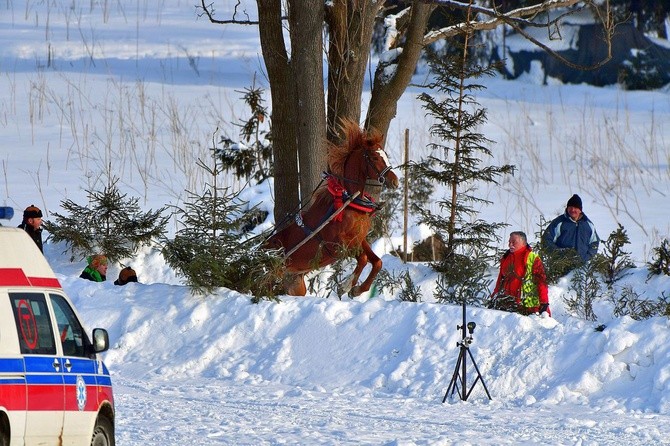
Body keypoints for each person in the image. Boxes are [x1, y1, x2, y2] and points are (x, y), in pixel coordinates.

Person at [492, 231, 550, 316]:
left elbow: (541, 282)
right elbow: (500, 279)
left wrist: (544, 303)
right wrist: (494, 295)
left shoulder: (532, 258)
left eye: (514, 242)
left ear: (523, 243)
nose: (510, 245)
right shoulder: (506, 257)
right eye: (509, 242)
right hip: (507, 305)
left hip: (530, 308)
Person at [542, 194, 600, 264]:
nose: (572, 210)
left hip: (582, 267)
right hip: (561, 266)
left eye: (575, 207)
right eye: (570, 207)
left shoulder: (588, 224)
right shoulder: (559, 222)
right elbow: (546, 240)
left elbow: (594, 242)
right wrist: (558, 254)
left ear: (580, 210)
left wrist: (588, 256)